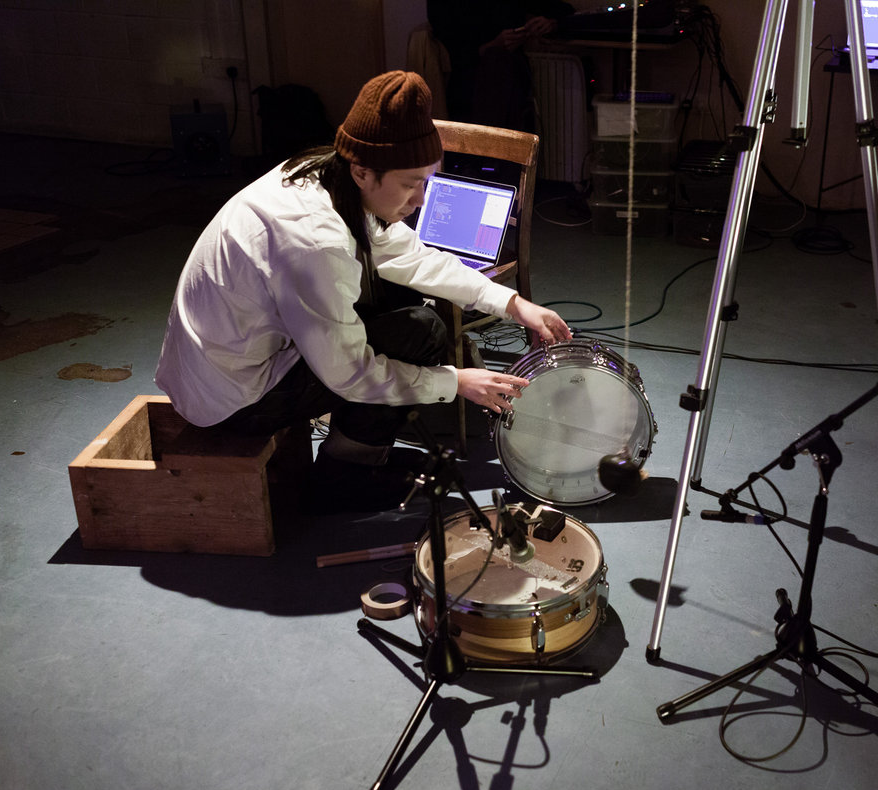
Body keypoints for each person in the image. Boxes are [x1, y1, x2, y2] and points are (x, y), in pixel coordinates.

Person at [155, 71, 571, 511]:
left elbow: (411, 257)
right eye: (411, 184)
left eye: (427, 181)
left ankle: (357, 452)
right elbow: (351, 374)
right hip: (234, 401)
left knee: (406, 304)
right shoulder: (316, 241)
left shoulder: (324, 175)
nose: (421, 200)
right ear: (362, 171)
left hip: (217, 367)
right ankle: (343, 477)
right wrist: (455, 382)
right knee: (421, 332)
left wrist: (512, 303)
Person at [427, 0, 574, 131]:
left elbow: (563, 10)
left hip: (508, 69)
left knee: (500, 63)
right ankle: (489, 147)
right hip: (466, 74)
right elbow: (447, 44)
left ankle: (493, 147)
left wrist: (550, 24)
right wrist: (489, 46)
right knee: (495, 60)